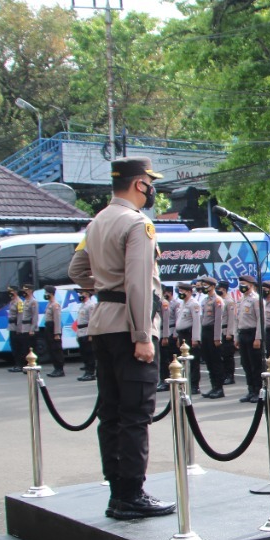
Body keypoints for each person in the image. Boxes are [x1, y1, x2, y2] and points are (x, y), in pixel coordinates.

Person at [67, 156, 175, 520]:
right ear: (140, 184)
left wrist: (103, 289)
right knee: (135, 415)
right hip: (131, 329)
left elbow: (76, 269)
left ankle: (117, 491)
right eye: (150, 183)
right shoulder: (136, 223)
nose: (152, 189)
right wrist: (143, 334)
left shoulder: (97, 221)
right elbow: (138, 283)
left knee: (111, 413)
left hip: (103, 325)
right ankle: (132, 494)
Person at [194, 276, 226, 399]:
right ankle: (213, 386)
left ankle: (219, 388)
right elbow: (202, 319)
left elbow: (218, 320)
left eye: (205, 285)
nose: (203, 287)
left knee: (216, 361)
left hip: (213, 331)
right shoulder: (205, 300)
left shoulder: (217, 300)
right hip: (206, 331)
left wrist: (217, 337)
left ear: (212, 286)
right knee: (208, 360)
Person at [174, 282, 201, 394]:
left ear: (189, 292)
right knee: (184, 361)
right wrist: (177, 337)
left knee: (193, 362)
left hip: (190, 334)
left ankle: (194, 385)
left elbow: (196, 322)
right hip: (182, 335)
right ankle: (187, 382)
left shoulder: (193, 304)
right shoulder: (182, 304)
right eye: (179, 291)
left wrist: (195, 338)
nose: (180, 293)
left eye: (183, 291)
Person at [216, 280, 236, 386]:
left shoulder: (229, 301)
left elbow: (232, 318)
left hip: (226, 331)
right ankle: (224, 375)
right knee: (221, 355)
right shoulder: (219, 300)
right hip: (219, 330)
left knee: (228, 355)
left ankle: (230, 376)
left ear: (223, 289)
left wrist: (229, 333)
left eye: (218, 288)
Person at [43, 285, 66, 377]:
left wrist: (57, 333)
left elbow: (57, 320)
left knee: (56, 349)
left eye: (46, 293)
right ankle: (56, 368)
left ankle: (60, 369)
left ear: (51, 294)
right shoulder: (49, 304)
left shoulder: (55, 305)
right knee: (51, 349)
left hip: (53, 327)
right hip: (48, 326)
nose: (45, 295)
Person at [157, 287, 177, 390]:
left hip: (166, 332)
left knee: (166, 359)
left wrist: (165, 336)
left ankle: (166, 381)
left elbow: (166, 321)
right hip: (160, 332)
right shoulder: (158, 301)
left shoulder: (164, 303)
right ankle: (163, 379)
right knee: (162, 359)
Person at [75, 289, 96, 380]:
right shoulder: (82, 305)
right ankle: (87, 371)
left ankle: (91, 373)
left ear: (87, 294)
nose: (80, 295)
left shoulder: (91, 305)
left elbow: (92, 320)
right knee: (84, 353)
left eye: (81, 293)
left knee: (89, 353)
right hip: (81, 332)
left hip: (87, 332)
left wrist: (91, 334)